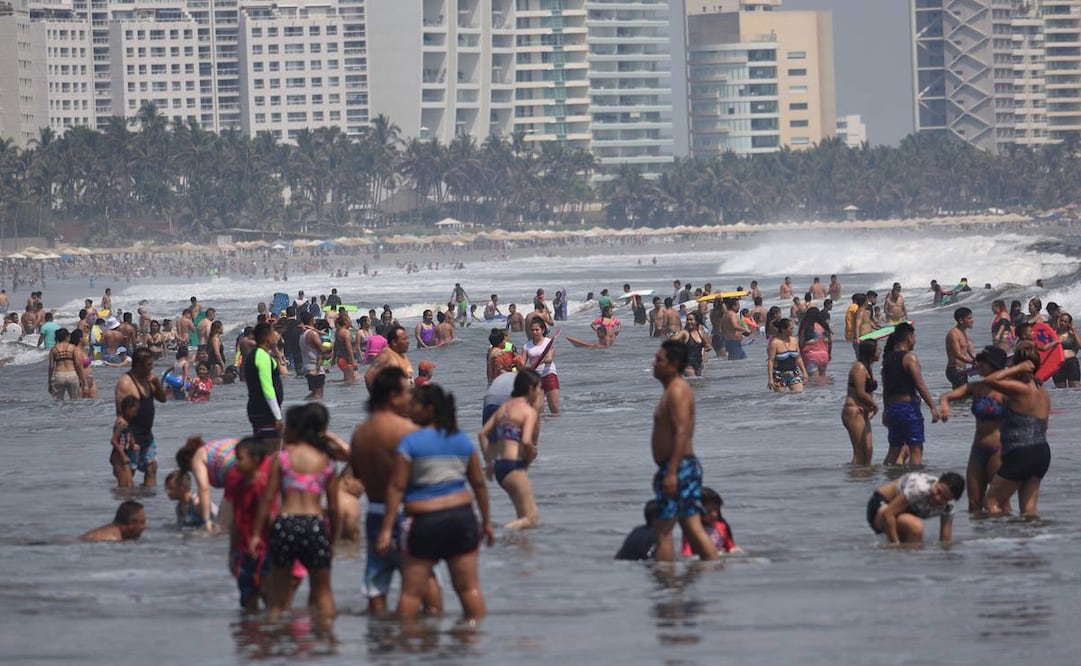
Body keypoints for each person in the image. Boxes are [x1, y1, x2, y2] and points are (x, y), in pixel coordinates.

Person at [376, 383, 494, 621]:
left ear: (429, 409)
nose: (410, 409)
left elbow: (397, 487)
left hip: (424, 521)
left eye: (415, 405)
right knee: (468, 588)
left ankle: (411, 646)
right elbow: (478, 484)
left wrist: (387, 529)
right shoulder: (461, 440)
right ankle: (472, 643)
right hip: (462, 518)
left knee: (411, 593)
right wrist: (487, 522)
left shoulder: (410, 443)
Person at [350, 367, 442, 615]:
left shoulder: (360, 434)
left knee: (376, 582)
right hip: (408, 514)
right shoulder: (408, 431)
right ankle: (430, 638)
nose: (410, 396)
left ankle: (382, 642)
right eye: (406, 392)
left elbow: (357, 475)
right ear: (393, 396)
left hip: (375, 514)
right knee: (425, 578)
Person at [251, 403, 340, 623]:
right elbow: (335, 507)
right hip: (315, 524)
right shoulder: (325, 460)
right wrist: (333, 540)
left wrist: (255, 534)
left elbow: (268, 499)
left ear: (295, 429)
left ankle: (278, 641)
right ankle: (327, 639)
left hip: (286, 523)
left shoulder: (281, 458)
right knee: (323, 591)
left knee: (278, 595)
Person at [649, 340, 718, 562]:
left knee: (664, 529)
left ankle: (667, 585)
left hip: (679, 467)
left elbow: (682, 433)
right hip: (678, 467)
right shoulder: (672, 390)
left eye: (659, 360)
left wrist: (671, 472)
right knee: (690, 527)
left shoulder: (678, 391)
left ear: (674, 363)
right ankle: (710, 572)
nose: (654, 363)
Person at [981, 342, 1051, 516]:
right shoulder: (1043, 392)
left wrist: (1016, 368)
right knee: (1029, 509)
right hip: (1041, 451)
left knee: (991, 501)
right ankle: (1032, 541)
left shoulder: (1020, 389)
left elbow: (990, 380)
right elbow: (1045, 425)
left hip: (1021, 452)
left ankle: (1003, 542)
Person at [939, 346, 1009, 512]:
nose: (980, 365)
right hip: (977, 450)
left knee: (1000, 504)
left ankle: (1010, 536)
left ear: (995, 365)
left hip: (998, 450)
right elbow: (946, 396)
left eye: (984, 362)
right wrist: (944, 406)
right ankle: (980, 537)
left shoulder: (1007, 389)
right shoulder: (976, 387)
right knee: (973, 504)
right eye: (980, 361)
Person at [479, 368, 542, 529]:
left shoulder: (504, 408)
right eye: (539, 389)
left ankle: (518, 549)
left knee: (522, 516)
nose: (540, 393)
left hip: (500, 467)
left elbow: (482, 434)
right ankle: (497, 532)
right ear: (530, 388)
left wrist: (490, 463)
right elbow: (527, 442)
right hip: (514, 466)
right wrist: (528, 458)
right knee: (531, 517)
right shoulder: (528, 411)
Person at [881, 323, 939, 466]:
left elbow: (885, 389)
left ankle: (887, 478)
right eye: (914, 337)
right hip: (908, 408)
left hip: (892, 408)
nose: (915, 340)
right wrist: (932, 406)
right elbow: (919, 384)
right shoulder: (909, 358)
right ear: (909, 337)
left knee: (894, 449)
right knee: (916, 449)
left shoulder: (887, 359)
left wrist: (885, 410)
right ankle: (915, 482)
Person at [114, 348, 166, 487]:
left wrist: (156, 383)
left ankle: (149, 503)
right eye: (149, 365)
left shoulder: (148, 380)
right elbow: (120, 415)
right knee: (127, 481)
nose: (152, 368)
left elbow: (162, 399)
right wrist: (128, 443)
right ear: (138, 365)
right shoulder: (126, 383)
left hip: (147, 436)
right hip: (130, 439)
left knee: (151, 468)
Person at [866, 472, 964, 544]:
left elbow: (945, 540)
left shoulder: (948, 506)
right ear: (937, 482)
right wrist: (895, 545)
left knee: (913, 545)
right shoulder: (919, 488)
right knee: (915, 527)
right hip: (881, 506)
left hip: (902, 512)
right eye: (938, 491)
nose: (938, 498)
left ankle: (910, 568)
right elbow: (888, 513)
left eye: (945, 498)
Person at [244, 323, 284, 439]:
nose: (276, 336)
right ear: (267, 337)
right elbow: (267, 388)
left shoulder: (256, 355)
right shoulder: (262, 356)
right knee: (270, 451)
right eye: (273, 333)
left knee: (263, 450)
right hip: (265, 411)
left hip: (257, 408)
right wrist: (277, 416)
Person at [842, 340, 879, 465]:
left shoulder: (868, 368)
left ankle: (865, 480)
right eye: (877, 349)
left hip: (863, 412)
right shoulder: (859, 367)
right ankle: (855, 480)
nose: (879, 352)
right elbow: (860, 392)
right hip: (853, 411)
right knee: (859, 452)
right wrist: (875, 405)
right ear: (870, 352)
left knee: (868, 450)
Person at [680, 487, 740, 556]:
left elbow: (730, 546)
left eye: (716, 509)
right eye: (708, 511)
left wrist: (734, 550)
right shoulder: (692, 531)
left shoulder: (722, 526)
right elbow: (687, 553)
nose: (714, 514)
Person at [523, 319, 559, 414]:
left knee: (554, 410)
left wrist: (539, 361)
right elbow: (522, 364)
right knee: (538, 411)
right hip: (535, 379)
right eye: (532, 330)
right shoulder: (527, 346)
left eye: (537, 330)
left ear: (542, 330)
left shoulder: (549, 343)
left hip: (549, 374)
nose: (534, 332)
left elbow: (549, 359)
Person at [366, 324, 413, 389]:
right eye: (404, 339)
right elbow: (369, 376)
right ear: (394, 342)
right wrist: (376, 397)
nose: (408, 342)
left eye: (407, 338)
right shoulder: (387, 353)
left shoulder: (402, 354)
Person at [767, 318, 807, 393]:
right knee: (781, 399)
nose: (793, 330)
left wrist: (804, 372)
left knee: (799, 395)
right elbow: (771, 361)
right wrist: (770, 379)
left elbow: (799, 358)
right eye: (791, 328)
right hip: (779, 374)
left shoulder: (794, 340)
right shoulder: (775, 343)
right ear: (783, 329)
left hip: (793, 373)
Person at [109, 396, 140, 488]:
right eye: (134, 410)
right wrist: (123, 455)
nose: (136, 413)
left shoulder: (127, 422)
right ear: (127, 409)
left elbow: (127, 436)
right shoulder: (121, 423)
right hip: (119, 456)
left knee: (130, 484)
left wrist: (132, 444)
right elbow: (114, 440)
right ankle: (122, 500)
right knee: (123, 486)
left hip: (124, 454)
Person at [80, 501, 147, 542]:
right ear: (131, 524)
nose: (145, 526)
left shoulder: (110, 531)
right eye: (142, 522)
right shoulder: (112, 539)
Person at [48, 328, 85, 401]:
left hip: (59, 375)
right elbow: (77, 364)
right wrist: (82, 379)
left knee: (58, 402)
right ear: (66, 337)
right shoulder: (72, 347)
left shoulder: (53, 349)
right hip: (71, 374)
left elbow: (51, 367)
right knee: (75, 401)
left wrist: (50, 381)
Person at [945, 307, 975, 389]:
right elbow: (957, 354)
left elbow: (972, 352)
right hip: (954, 370)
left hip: (963, 370)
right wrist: (973, 362)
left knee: (961, 397)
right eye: (969, 318)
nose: (972, 320)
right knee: (964, 395)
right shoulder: (953, 334)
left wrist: (981, 360)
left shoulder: (964, 333)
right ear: (961, 320)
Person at [673, 311, 711, 377]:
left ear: (696, 321)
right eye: (687, 320)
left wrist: (703, 355)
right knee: (693, 383)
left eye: (691, 320)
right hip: (687, 363)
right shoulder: (685, 332)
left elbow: (708, 346)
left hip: (698, 362)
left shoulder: (700, 332)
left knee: (700, 385)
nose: (688, 322)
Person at [797, 306, 832, 377]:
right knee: (822, 380)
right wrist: (829, 354)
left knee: (813, 382)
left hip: (811, 356)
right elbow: (830, 342)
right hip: (824, 356)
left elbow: (801, 343)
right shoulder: (824, 326)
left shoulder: (806, 326)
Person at [1053, 311, 1081, 388]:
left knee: (1075, 387)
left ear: (1069, 324)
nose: (1062, 323)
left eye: (1065, 321)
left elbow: (1080, 346)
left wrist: (1074, 331)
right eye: (1061, 320)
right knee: (1060, 389)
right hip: (1058, 364)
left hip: (1071, 363)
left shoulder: (1072, 334)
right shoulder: (1054, 333)